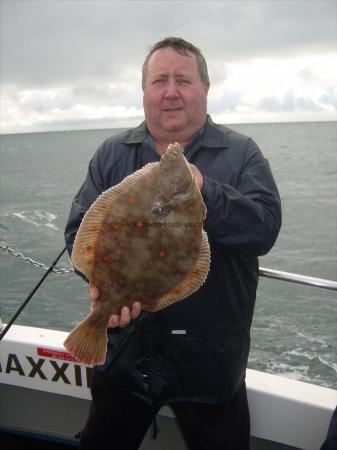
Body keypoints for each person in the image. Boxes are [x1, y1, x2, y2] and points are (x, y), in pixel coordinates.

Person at [65, 37, 282, 450]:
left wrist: (203, 191)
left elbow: (264, 229)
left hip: (210, 365)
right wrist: (100, 287)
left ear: (205, 87)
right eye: (159, 80)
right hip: (125, 358)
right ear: (144, 90)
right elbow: (79, 232)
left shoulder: (242, 154)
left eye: (183, 80)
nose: (170, 91)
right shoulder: (113, 153)